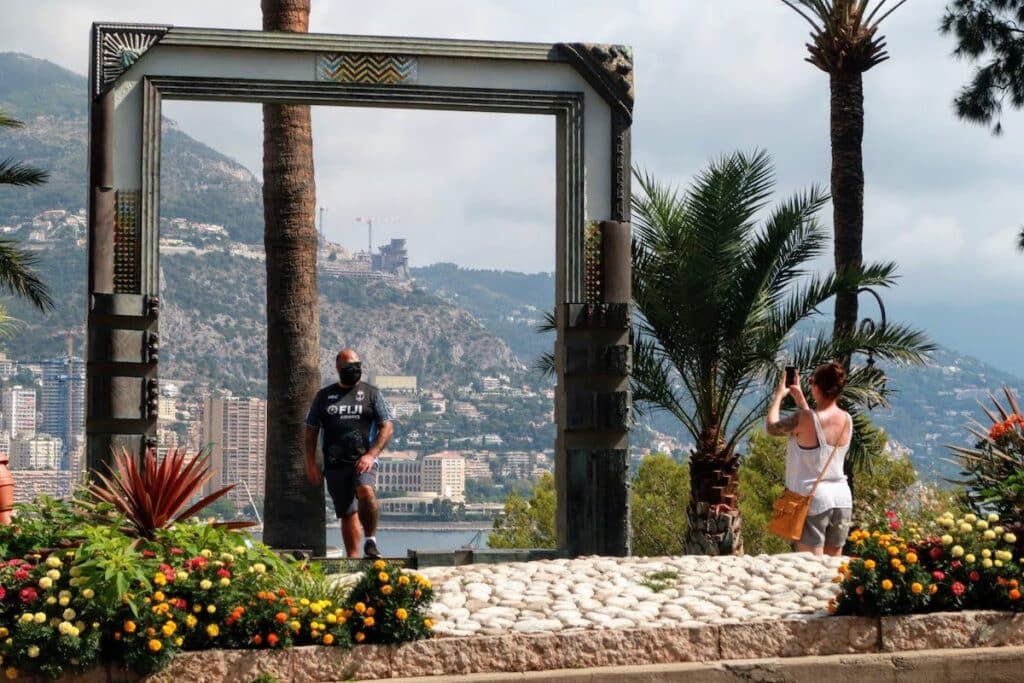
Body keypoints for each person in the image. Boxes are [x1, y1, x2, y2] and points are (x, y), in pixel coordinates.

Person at [304, 348, 395, 559]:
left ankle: (371, 541)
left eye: (357, 366)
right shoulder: (324, 396)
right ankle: (353, 559)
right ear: (338, 367)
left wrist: (371, 455)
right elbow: (310, 431)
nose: (353, 370)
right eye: (348, 367)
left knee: (365, 489)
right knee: (347, 512)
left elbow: (387, 426)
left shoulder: (371, 393)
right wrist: (310, 463)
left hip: (364, 459)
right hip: (335, 463)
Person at [766, 361, 852, 556]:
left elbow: (771, 427)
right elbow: (815, 424)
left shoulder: (804, 419)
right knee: (832, 568)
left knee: (811, 565)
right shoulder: (847, 419)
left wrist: (779, 395)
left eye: (811, 381)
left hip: (813, 500)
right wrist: (800, 398)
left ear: (817, 387)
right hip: (842, 499)